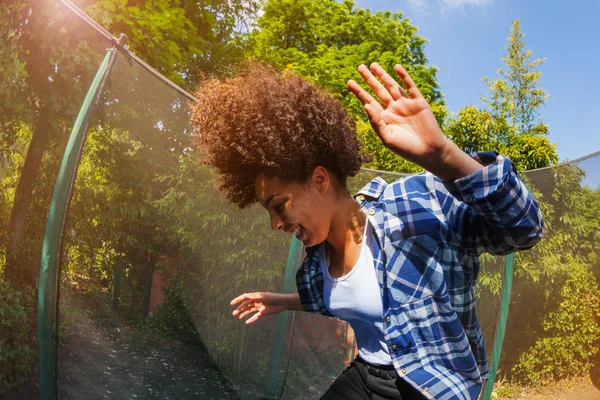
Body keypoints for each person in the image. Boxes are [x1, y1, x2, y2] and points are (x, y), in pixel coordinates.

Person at [191, 61, 544, 400]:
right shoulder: (317, 263)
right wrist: (280, 302)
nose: (275, 224)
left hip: (433, 384)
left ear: (319, 180)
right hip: (366, 375)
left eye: (279, 205)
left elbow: (525, 229)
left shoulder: (414, 203)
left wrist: (444, 156)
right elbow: (339, 298)